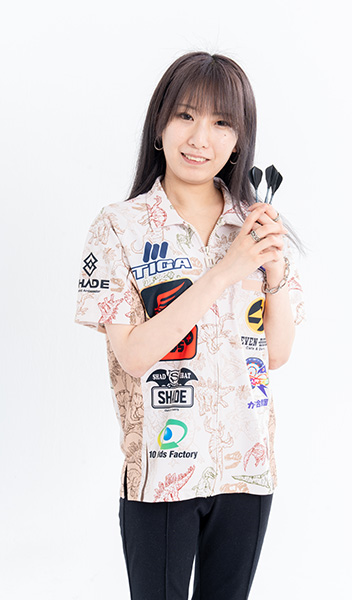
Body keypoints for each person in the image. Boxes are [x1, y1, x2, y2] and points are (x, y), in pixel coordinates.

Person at [75, 51, 305, 600]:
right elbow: (134, 355)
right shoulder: (119, 227)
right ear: (160, 125)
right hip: (161, 474)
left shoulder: (256, 225)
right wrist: (225, 272)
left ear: (239, 140)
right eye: (185, 115)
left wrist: (272, 270)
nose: (201, 138)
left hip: (247, 467)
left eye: (222, 122)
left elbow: (275, 354)